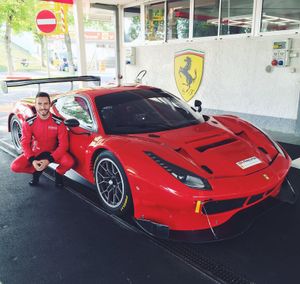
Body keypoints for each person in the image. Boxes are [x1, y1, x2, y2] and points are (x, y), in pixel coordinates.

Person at [10, 92, 74, 187]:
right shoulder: (29, 123)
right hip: (36, 152)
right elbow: (25, 143)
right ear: (35, 105)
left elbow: (64, 145)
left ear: (50, 104)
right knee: (15, 166)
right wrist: (33, 161)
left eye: (45, 104)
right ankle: (36, 171)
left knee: (69, 162)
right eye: (39, 104)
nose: (43, 107)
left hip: (53, 151)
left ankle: (59, 173)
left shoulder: (59, 123)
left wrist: (48, 160)